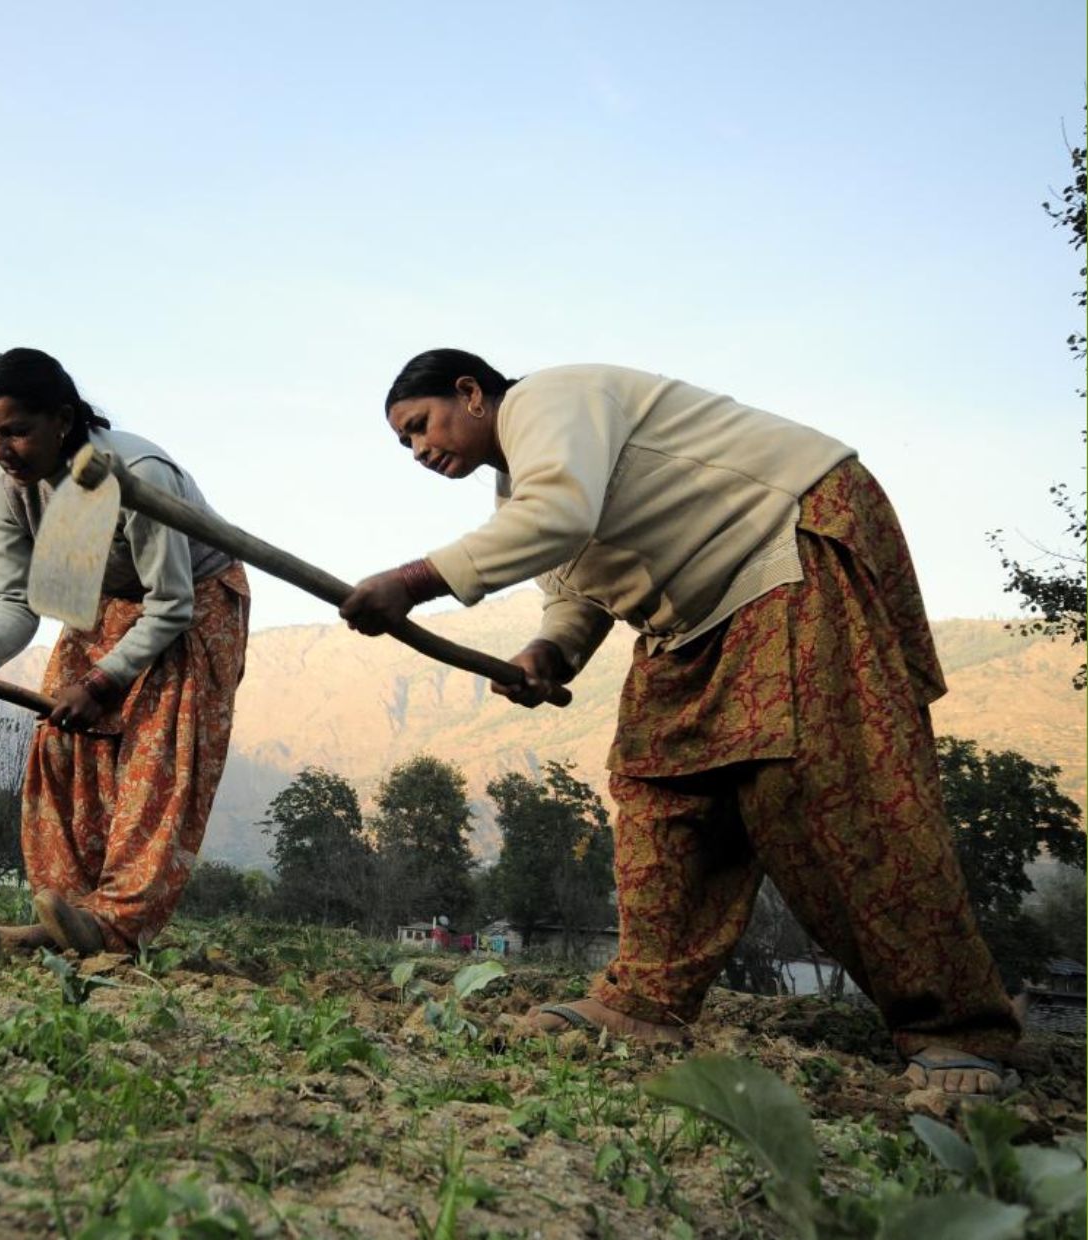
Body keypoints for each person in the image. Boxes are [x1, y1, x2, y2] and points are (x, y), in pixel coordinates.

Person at [338, 350, 1022, 1097]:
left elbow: (558, 517)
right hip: (691, 619)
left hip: (784, 541)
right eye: (404, 443)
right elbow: (576, 593)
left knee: (827, 788)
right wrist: (546, 654)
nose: (418, 449)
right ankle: (645, 1000)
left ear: (471, 393)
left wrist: (411, 582)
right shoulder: (520, 495)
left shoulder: (550, 401)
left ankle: (956, 1028)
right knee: (657, 786)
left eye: (420, 425)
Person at [0, 348, 249, 957]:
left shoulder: (137, 474)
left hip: (192, 604)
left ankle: (115, 925)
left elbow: (171, 604)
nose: (0, 450)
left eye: (16, 431)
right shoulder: (8, 492)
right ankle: (69, 914)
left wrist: (104, 682)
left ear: (63, 419)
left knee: (156, 765)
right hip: (102, 602)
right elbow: (16, 602)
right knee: (61, 742)